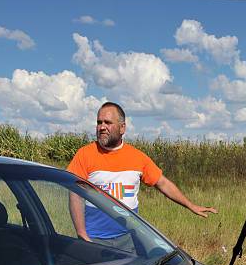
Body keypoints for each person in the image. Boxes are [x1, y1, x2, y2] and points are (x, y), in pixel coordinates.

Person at [67, 102, 217, 244]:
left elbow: (162, 183)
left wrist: (191, 205)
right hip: (95, 239)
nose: (102, 127)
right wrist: (82, 234)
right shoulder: (85, 154)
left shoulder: (137, 157)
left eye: (108, 122)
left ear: (122, 128)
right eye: (99, 122)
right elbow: (75, 194)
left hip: (130, 238)